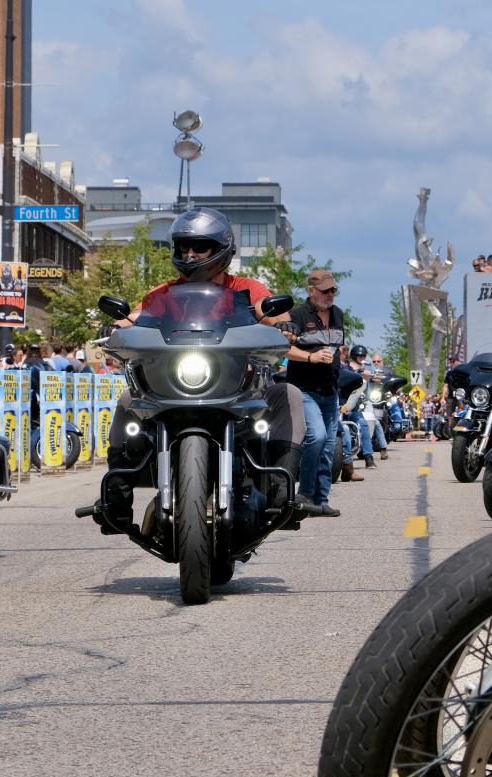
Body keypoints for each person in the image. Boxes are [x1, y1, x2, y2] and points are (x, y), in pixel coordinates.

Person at [102, 207, 307, 534]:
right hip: (175, 386)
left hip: (238, 388)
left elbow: (268, 312)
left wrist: (286, 324)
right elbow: (138, 315)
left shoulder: (246, 288)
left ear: (221, 248)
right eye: (184, 247)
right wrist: (117, 323)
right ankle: (116, 501)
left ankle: (282, 494)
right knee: (129, 399)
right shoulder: (164, 293)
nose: (190, 253)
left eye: (200, 246)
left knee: (288, 394)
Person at [283, 268, 347, 517]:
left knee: (329, 446)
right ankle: (306, 494)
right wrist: (310, 357)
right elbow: (284, 349)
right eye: (325, 290)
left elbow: (337, 347)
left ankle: (321, 500)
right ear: (312, 291)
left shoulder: (339, 314)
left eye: (333, 290)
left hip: (331, 390)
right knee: (317, 437)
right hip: (305, 390)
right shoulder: (297, 315)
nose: (330, 294)